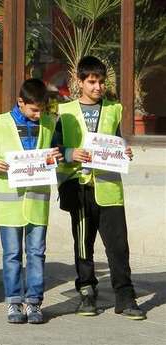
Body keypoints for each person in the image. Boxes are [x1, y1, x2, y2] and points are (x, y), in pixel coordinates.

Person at [54, 56, 146, 320]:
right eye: (92, 82)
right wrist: (71, 153)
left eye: (101, 82)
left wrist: (123, 150)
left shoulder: (114, 109)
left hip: (109, 187)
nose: (97, 87)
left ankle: (125, 298)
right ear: (79, 82)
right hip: (79, 188)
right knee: (84, 244)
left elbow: (115, 141)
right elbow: (53, 148)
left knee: (118, 245)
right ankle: (86, 293)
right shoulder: (64, 111)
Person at [0, 78, 62, 324]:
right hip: (8, 202)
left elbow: (54, 149)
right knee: (12, 253)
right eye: (34, 110)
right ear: (20, 102)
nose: (38, 114)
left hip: (36, 199)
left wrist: (56, 156)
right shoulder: (0, 123)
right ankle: (14, 301)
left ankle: (34, 302)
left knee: (36, 252)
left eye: (41, 110)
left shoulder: (47, 122)